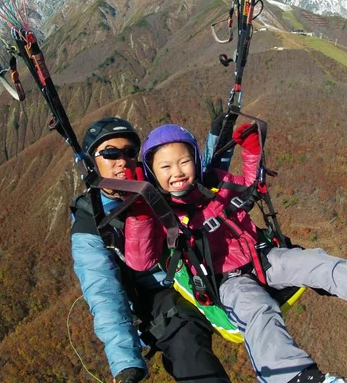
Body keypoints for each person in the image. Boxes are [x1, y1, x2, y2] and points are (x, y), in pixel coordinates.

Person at [124, 123, 347, 383]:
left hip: (263, 259)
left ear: (195, 160)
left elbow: (251, 186)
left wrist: (252, 153)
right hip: (224, 281)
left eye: (184, 161)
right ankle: (297, 377)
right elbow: (141, 261)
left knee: (317, 263)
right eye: (165, 166)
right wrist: (139, 215)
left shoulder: (215, 183)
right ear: (153, 173)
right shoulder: (158, 212)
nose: (177, 172)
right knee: (258, 311)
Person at [70, 117, 231, 383]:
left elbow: (198, 177)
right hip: (160, 297)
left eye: (130, 152)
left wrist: (219, 137)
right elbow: (104, 292)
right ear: (92, 163)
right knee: (187, 343)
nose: (122, 161)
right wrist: (125, 363)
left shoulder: (155, 183)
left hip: (195, 268)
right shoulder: (91, 223)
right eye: (110, 153)